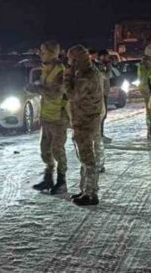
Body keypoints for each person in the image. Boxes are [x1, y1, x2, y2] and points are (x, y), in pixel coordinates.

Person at [64, 45, 106, 206]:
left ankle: (91, 193)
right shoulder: (90, 71)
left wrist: (67, 78)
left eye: (70, 59)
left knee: (88, 158)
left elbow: (73, 95)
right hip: (87, 118)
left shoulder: (86, 76)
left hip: (85, 120)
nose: (68, 63)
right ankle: (85, 191)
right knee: (85, 156)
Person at [29, 41, 69, 195]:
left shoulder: (60, 71)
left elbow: (56, 93)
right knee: (45, 150)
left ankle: (61, 181)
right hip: (48, 115)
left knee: (57, 149)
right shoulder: (46, 69)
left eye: (44, 51)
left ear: (52, 53)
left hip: (59, 117)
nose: (40, 54)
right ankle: (48, 177)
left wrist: (38, 89)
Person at [139, 44, 151, 141]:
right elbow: (144, 80)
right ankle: (150, 131)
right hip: (148, 90)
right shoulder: (145, 65)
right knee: (150, 112)